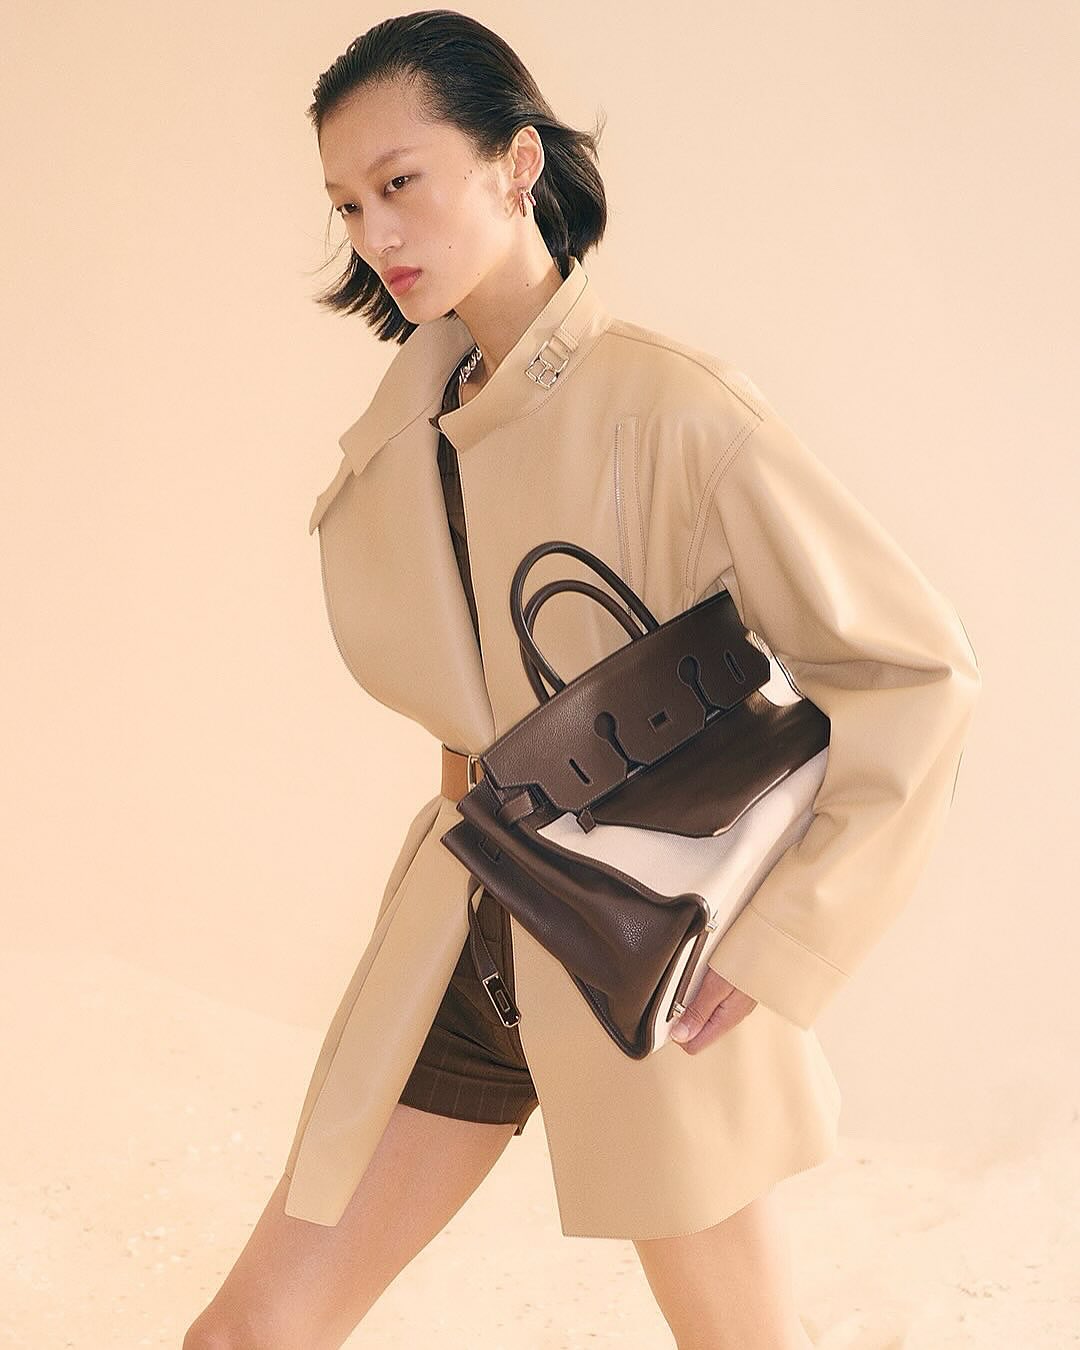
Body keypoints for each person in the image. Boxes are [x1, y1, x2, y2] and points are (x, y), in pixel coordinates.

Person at [183, 12, 981, 1350]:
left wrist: (784, 941)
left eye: (401, 181)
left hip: (654, 955)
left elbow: (917, 669)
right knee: (247, 1335)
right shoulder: (414, 424)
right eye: (349, 203)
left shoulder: (675, 412)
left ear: (516, 163)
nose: (376, 232)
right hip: (468, 922)